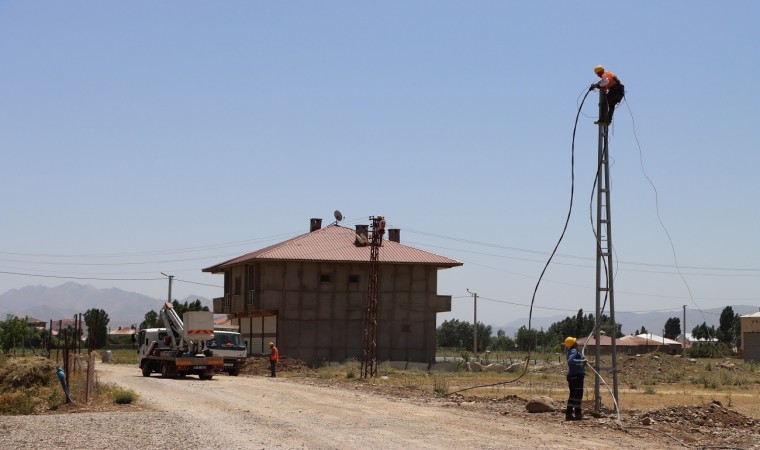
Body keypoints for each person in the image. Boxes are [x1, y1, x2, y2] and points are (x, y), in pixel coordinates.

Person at [564, 336, 586, 421]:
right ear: (573, 343)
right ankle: (578, 414)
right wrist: (581, 361)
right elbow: (571, 361)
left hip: (573, 376)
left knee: (573, 395)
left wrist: (582, 362)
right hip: (576, 376)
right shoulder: (574, 351)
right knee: (578, 395)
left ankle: (569, 414)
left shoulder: (570, 351)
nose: (577, 342)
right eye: (575, 341)